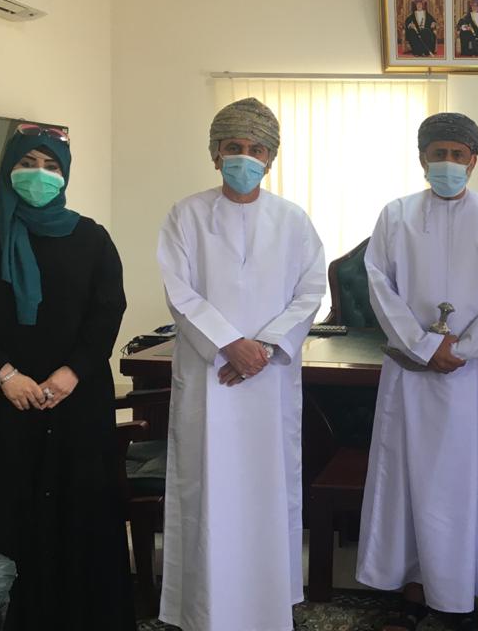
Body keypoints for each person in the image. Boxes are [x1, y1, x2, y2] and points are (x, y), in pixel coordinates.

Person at [0, 124, 134, 630]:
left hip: (74, 401)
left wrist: (72, 373)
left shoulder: (91, 237)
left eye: (51, 166)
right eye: (27, 163)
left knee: (76, 511)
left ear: (65, 174)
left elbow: (107, 310)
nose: (39, 175)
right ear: (7, 169)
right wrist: (5, 374)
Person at [157, 97, 327, 631]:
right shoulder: (185, 215)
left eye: (256, 149)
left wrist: (265, 348)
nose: (245, 158)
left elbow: (310, 292)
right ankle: (204, 612)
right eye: (234, 147)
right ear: (215, 153)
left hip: (268, 382)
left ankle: (266, 611)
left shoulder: (293, 221)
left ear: (271, 158)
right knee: (207, 493)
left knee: (265, 493)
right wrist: (230, 343)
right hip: (210, 380)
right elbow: (179, 291)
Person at [356, 112, 478, 631]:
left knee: (461, 487)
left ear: (474, 160)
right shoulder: (396, 215)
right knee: (406, 485)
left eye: (458, 154)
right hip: (410, 374)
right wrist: (425, 345)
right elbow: (379, 283)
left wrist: (462, 349)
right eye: (438, 154)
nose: (448, 163)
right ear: (422, 158)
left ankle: (459, 599)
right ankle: (410, 590)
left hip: (467, 379)